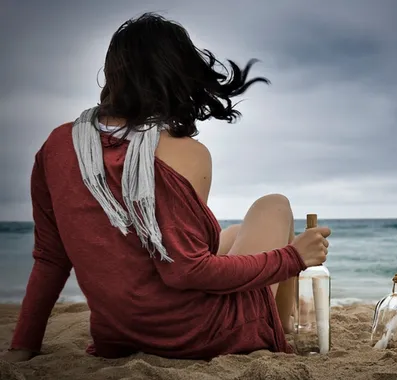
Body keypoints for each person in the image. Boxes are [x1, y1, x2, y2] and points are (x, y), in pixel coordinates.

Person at [1, 12, 331, 362]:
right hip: (191, 333)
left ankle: (276, 320)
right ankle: (279, 330)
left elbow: (51, 258)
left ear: (113, 73)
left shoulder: (57, 146)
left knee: (232, 235)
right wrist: (294, 257)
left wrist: (24, 346)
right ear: (177, 75)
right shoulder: (182, 152)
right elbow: (187, 270)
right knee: (274, 206)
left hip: (119, 335)